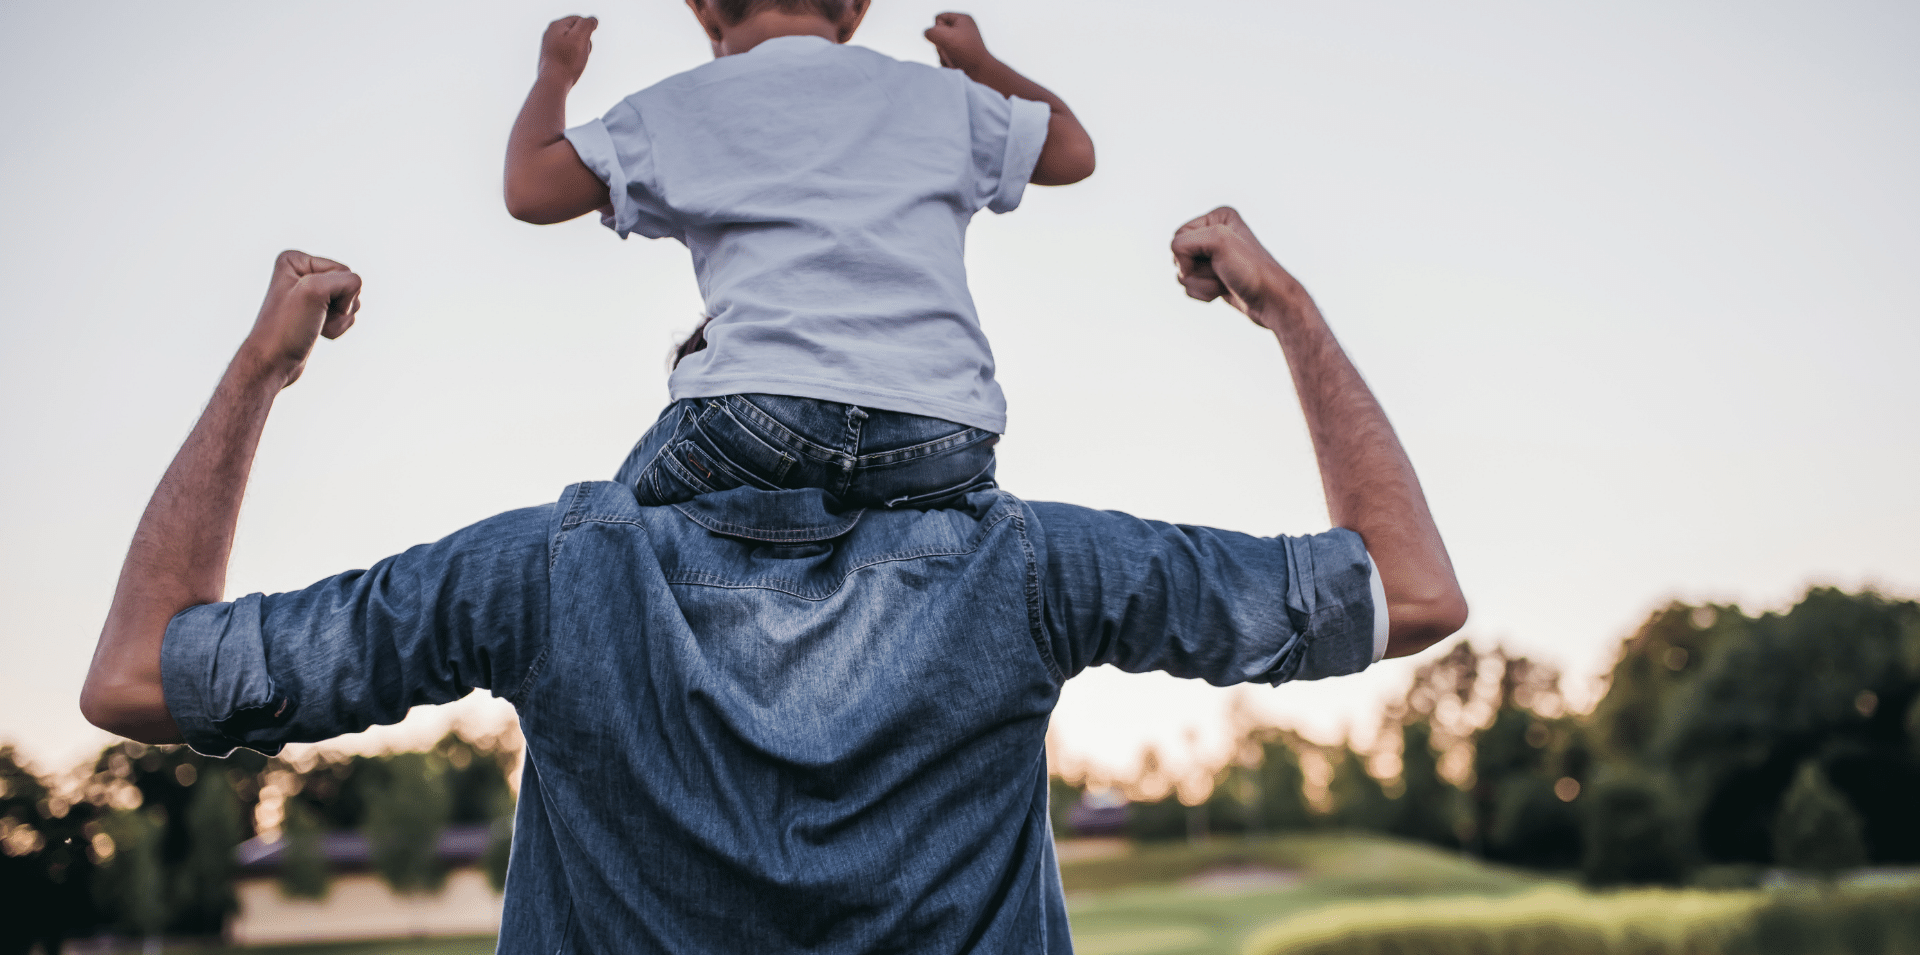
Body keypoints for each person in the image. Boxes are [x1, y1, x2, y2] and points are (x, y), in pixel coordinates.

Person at [81, 207, 1466, 953]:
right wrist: (1286, 310)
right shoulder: (1027, 566)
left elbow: (140, 673)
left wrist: (261, 370)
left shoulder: (549, 575)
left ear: (693, 390)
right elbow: (1410, 591)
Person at [502, 0, 1096, 512]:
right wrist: (978, 63)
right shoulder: (941, 99)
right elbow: (1072, 151)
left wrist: (555, 74)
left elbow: (530, 189)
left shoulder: (679, 107)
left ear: (702, 9)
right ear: (855, 14)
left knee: (605, 532)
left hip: (760, 419)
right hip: (943, 433)